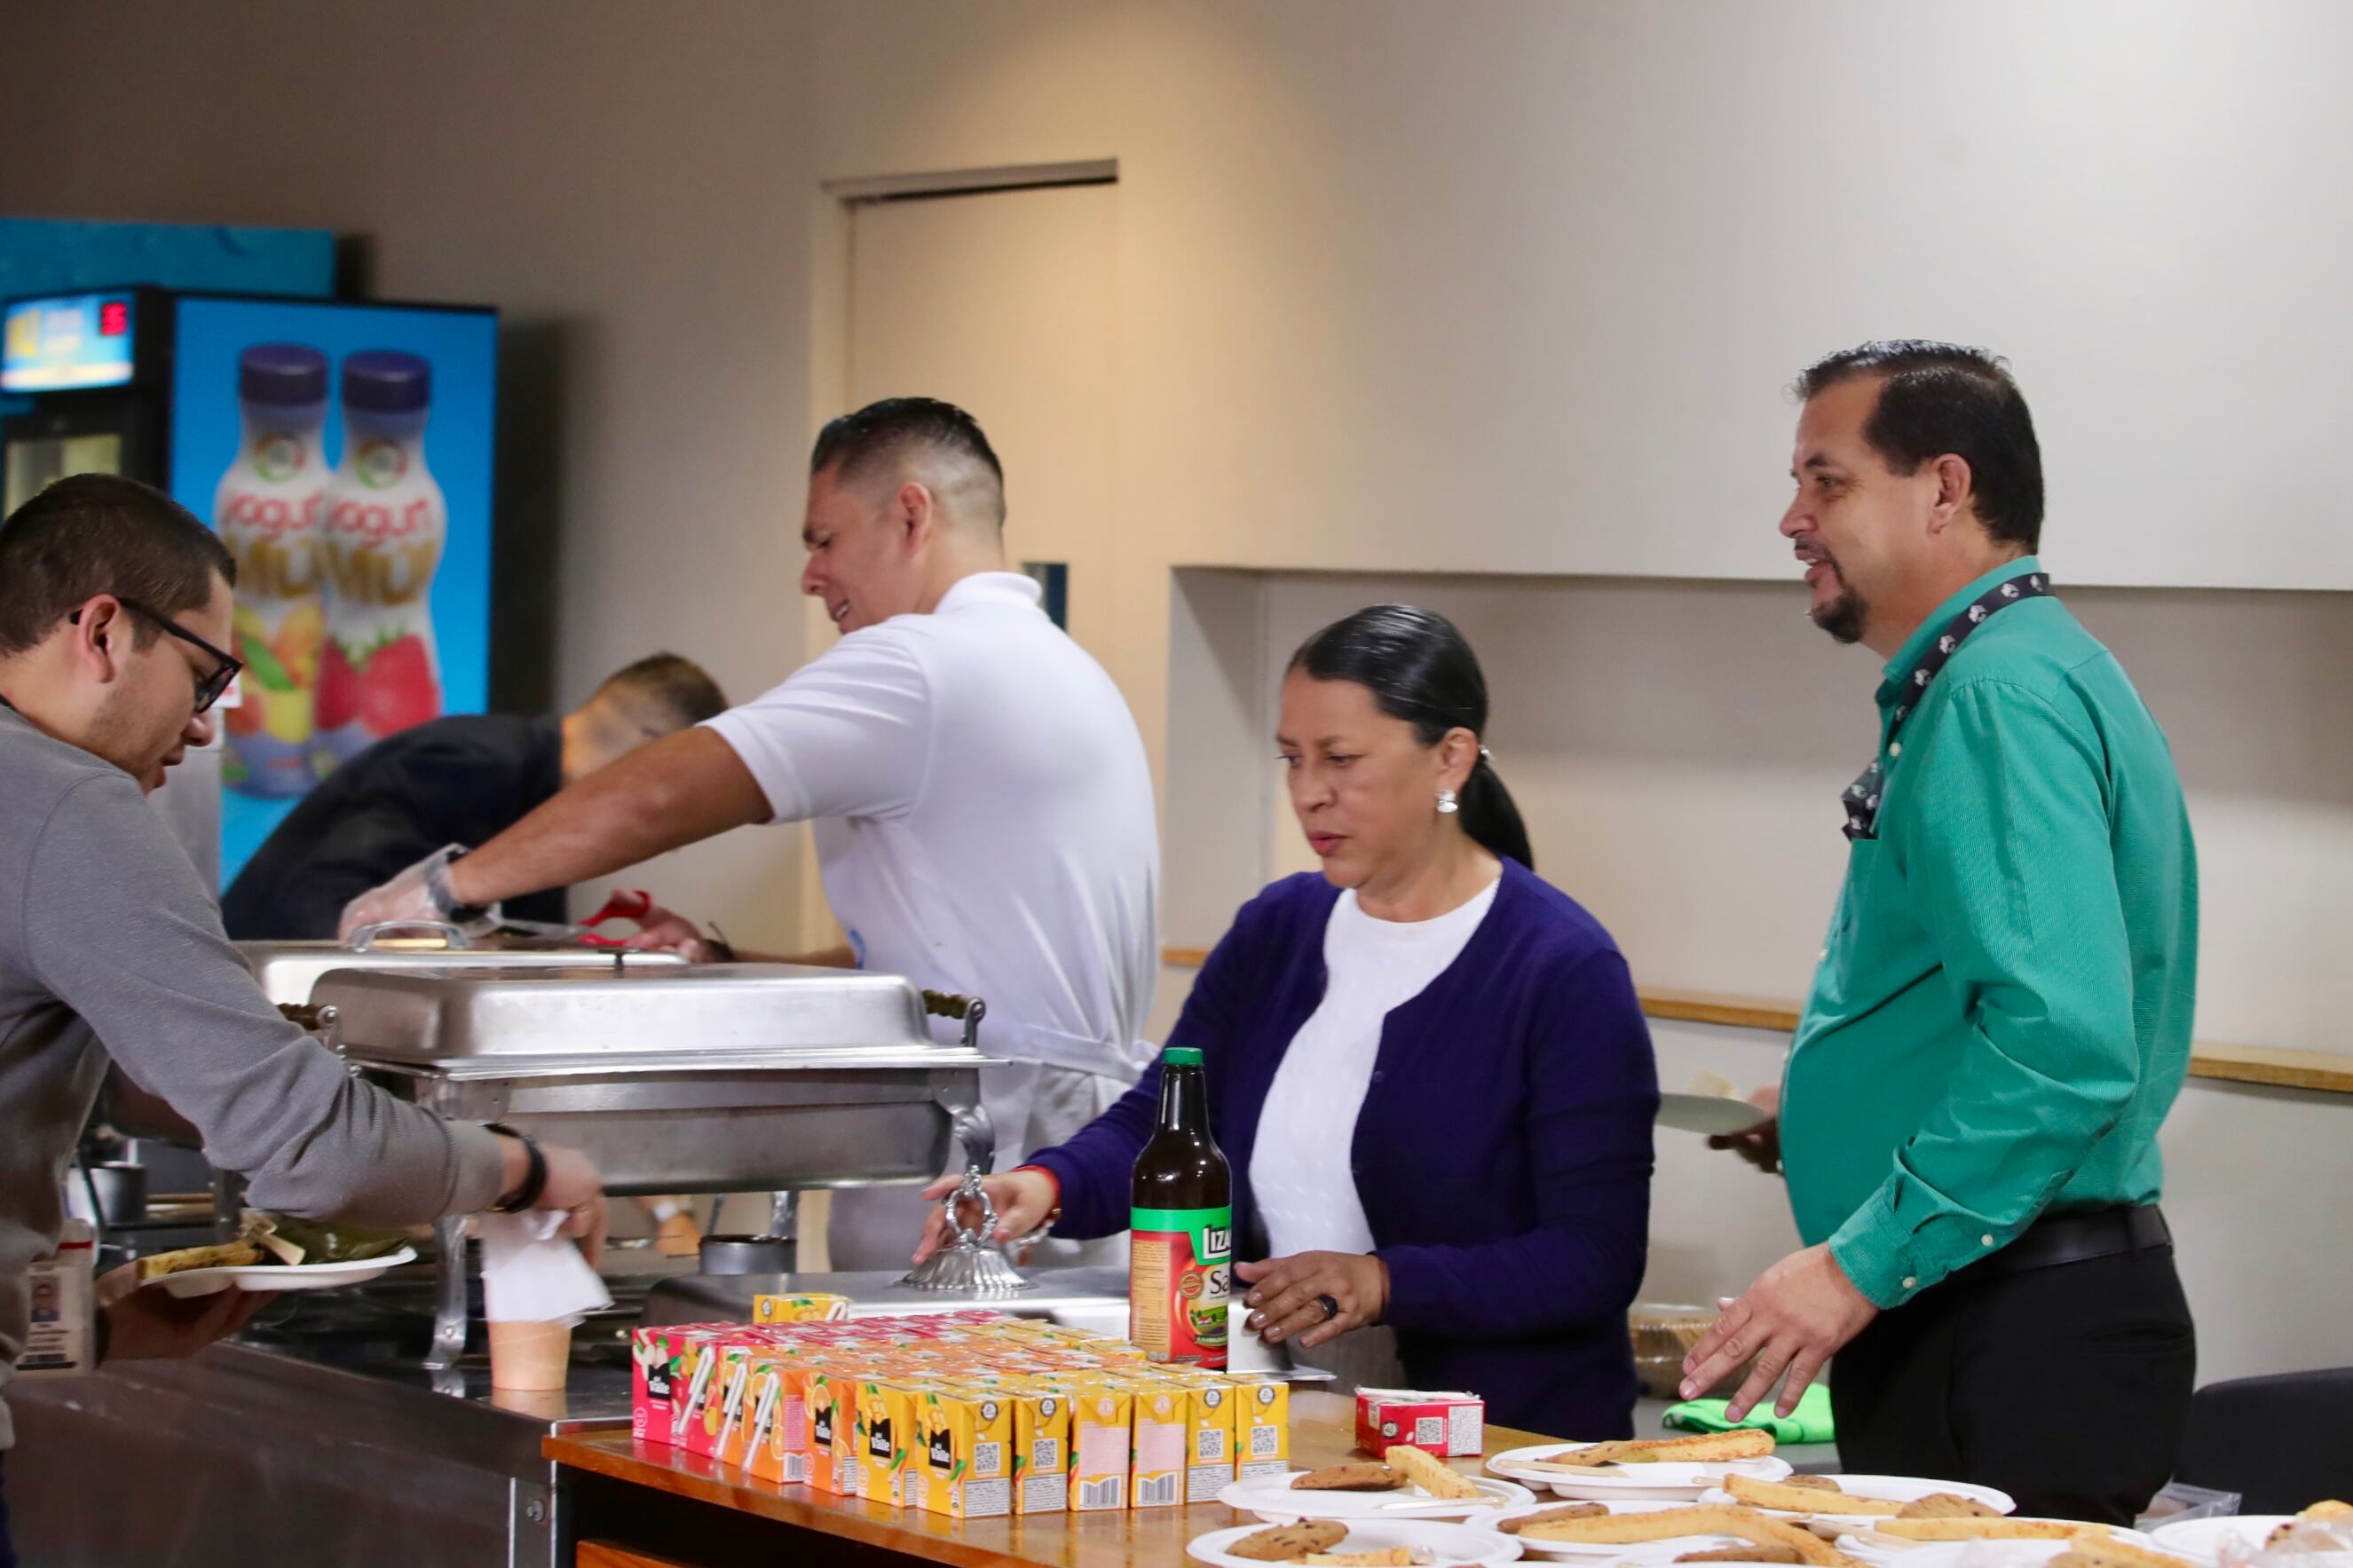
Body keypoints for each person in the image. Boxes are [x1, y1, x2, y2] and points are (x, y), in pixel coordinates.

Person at [340, 398, 1159, 1269]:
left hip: (991, 1151)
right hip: (1068, 1153)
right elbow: (961, 956)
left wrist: (444, 888)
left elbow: (660, 792)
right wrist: (730, 962)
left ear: (911, 515)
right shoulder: (1065, 669)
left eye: (823, 539)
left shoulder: (923, 662)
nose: (810, 575)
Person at [0, 475, 608, 1562]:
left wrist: (78, 1327)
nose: (202, 726)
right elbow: (315, 1148)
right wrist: (522, 1169)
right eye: (205, 675)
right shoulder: (66, 804)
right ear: (101, 630)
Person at [917, 605, 1659, 1438]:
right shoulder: (1278, 928)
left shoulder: (1562, 968)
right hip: (1289, 1412)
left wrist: (1384, 1281)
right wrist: (1042, 1186)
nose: (1308, 792)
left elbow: (1592, 1257)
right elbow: (1164, 1125)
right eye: (1292, 758)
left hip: (1507, 1444)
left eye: (1340, 759)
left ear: (1449, 757)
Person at [1682, 343, 2198, 1524]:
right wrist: (1829, 1110)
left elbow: (2058, 1046)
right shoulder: (2022, 668)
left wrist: (1853, 1262)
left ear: (1943, 489)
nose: (1791, 519)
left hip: (2002, 1322)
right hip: (1994, 1310)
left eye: (1825, 483)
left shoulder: (1994, 695)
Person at [222, 653, 727, 940]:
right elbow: (329, 906)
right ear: (652, 752)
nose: (675, 834)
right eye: (680, 796)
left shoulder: (542, 797)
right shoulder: (468, 763)